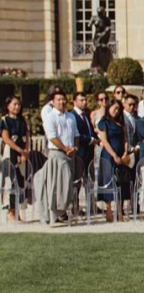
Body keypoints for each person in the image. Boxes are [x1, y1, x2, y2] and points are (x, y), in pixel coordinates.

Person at [42, 88, 79, 224]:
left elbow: (76, 134)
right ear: (53, 101)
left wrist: (75, 147)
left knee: (67, 185)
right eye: (58, 99)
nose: (62, 102)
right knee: (56, 186)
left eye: (63, 99)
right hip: (57, 154)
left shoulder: (70, 116)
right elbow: (52, 136)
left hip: (70, 154)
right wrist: (64, 148)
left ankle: (61, 212)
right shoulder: (50, 116)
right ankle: (53, 215)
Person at [97, 99, 129, 222]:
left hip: (121, 155)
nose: (116, 111)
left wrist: (125, 152)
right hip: (109, 155)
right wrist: (114, 155)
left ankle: (120, 212)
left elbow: (125, 139)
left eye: (118, 109)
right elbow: (104, 141)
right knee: (108, 181)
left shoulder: (121, 123)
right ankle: (109, 210)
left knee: (121, 182)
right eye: (114, 108)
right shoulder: (103, 122)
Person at [1, 95, 29, 220]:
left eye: (18, 104)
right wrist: (19, 150)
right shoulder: (5, 120)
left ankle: (17, 209)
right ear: (8, 106)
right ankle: (10, 210)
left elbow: (26, 137)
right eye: (14, 104)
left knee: (20, 181)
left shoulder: (22, 120)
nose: (17, 107)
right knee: (10, 181)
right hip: (10, 153)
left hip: (22, 154)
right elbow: (6, 138)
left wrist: (25, 151)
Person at [69, 91, 96, 174]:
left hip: (89, 153)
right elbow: (76, 134)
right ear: (74, 102)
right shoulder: (71, 116)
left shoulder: (86, 115)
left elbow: (90, 130)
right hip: (79, 152)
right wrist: (91, 139)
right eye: (81, 100)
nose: (85, 102)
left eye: (85, 100)